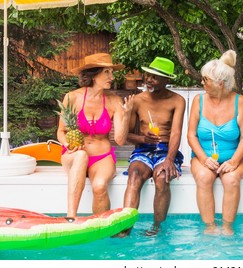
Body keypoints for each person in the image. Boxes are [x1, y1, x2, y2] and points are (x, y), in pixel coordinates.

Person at [57, 53, 134, 218]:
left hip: (102, 158)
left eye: (111, 72)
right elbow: (61, 131)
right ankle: (71, 217)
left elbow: (120, 140)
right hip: (73, 155)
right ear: (93, 73)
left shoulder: (114, 101)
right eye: (107, 72)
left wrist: (126, 115)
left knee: (99, 186)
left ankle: (101, 227)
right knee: (80, 156)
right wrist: (68, 145)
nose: (111, 77)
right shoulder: (72, 97)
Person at [187, 50, 243, 236]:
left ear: (220, 84)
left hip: (233, 157)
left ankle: (227, 227)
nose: (202, 83)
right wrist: (204, 159)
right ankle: (209, 227)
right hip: (203, 157)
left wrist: (234, 161)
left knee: (231, 180)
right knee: (204, 178)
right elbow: (191, 135)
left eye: (205, 80)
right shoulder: (198, 101)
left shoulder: (239, 102)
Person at [121, 56, 186, 236]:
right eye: (147, 75)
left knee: (162, 177)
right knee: (134, 175)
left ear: (167, 80)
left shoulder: (177, 101)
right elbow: (127, 136)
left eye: (155, 77)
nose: (149, 80)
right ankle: (125, 227)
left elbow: (175, 133)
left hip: (166, 149)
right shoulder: (137, 100)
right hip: (144, 149)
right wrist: (143, 139)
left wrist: (169, 160)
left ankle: (156, 227)